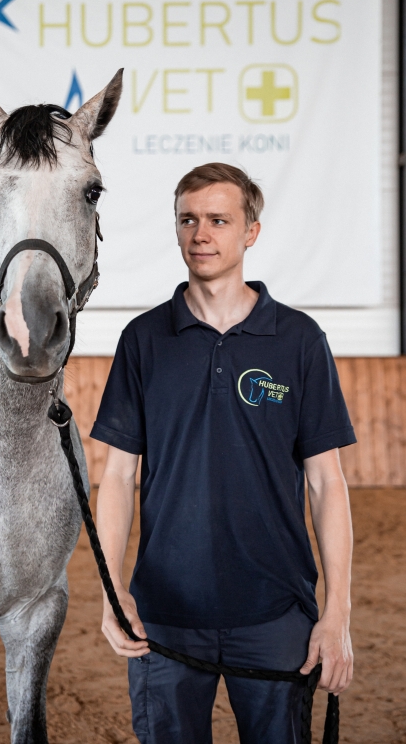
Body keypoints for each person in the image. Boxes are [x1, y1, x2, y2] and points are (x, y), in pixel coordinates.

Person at [92, 162, 354, 744]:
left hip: (276, 616)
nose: (200, 234)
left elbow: (326, 484)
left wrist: (335, 614)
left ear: (250, 232)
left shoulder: (300, 341)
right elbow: (117, 477)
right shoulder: (143, 340)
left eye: (218, 220)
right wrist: (113, 592)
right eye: (188, 220)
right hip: (164, 618)